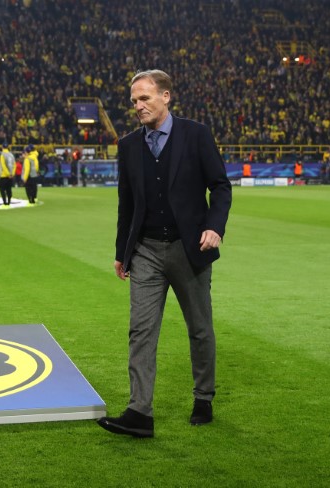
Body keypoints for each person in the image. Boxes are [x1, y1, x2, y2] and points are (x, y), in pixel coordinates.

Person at [97, 70, 232, 438]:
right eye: (134, 102)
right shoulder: (128, 145)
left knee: (200, 330)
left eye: (144, 99)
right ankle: (140, 412)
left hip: (190, 249)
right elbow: (127, 203)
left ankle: (203, 397)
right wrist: (121, 252)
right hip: (146, 252)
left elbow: (220, 186)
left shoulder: (196, 135)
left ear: (166, 96)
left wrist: (214, 227)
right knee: (140, 332)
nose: (138, 106)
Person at [0, 142, 15, 207]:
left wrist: (8, 174)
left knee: (2, 189)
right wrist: (12, 174)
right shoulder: (11, 155)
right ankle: (9, 202)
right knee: (9, 189)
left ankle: (5, 202)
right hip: (11, 176)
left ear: (2, 147)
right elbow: (14, 165)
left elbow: (3, 165)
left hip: (4, 175)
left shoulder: (2, 154)